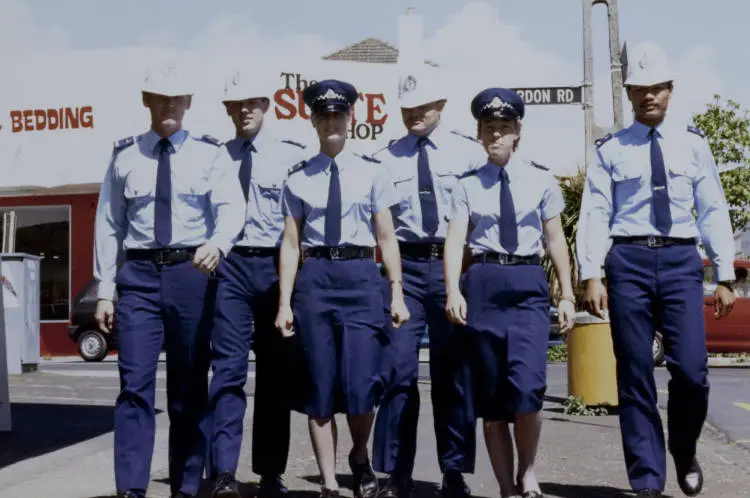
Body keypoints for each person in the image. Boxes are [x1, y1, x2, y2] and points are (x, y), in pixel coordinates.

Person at [577, 41, 736, 497]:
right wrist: (593, 272)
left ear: (670, 89)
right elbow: (595, 211)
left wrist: (724, 276)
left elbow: (712, 209)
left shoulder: (693, 145)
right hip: (627, 261)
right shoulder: (612, 150)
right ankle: (647, 478)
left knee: (691, 370)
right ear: (628, 93)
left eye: (657, 88)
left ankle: (683, 448)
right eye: (639, 89)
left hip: (682, 260)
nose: (648, 97)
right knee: (634, 371)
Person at [93, 61, 245, 498]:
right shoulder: (124, 156)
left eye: (177, 98)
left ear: (189, 103)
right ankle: (131, 491)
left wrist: (218, 243)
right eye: (161, 98)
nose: (169, 106)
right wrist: (105, 291)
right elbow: (108, 225)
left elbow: (231, 208)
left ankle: (186, 488)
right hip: (138, 277)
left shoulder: (210, 153)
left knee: (188, 388)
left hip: (191, 274)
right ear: (147, 101)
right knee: (134, 387)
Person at [274, 79, 410, 498]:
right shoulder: (298, 177)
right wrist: (284, 302)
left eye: (338, 114)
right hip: (316, 282)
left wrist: (397, 291)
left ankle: (359, 455)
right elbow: (291, 243)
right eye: (323, 115)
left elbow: (386, 238)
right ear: (313, 121)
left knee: (361, 387)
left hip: (360, 279)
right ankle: (330, 484)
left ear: (351, 118)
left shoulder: (372, 172)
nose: (331, 122)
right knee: (319, 386)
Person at [444, 88, 576, 498]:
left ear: (518, 131)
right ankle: (506, 487)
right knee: (492, 401)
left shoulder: (541, 180)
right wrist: (453, 290)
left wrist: (567, 294)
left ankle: (528, 470)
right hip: (483, 285)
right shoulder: (466, 186)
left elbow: (555, 240)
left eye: (504, 128)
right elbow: (454, 241)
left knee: (529, 389)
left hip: (526, 285)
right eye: (489, 129)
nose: (496, 135)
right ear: (479, 134)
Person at [368, 71, 485, 498]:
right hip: (407, 270)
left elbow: (480, 217)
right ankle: (395, 471)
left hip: (455, 268)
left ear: (441, 105)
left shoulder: (469, 155)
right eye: (407, 107)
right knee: (397, 371)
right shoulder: (386, 158)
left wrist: (464, 275)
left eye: (423, 106)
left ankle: (453, 472)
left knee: (453, 374)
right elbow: (382, 230)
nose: (415, 114)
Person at [207, 71, 308, 498]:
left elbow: (301, 225)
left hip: (274, 267)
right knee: (227, 372)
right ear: (228, 109)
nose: (245, 110)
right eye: (237, 103)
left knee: (274, 375)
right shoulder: (216, 157)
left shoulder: (290, 156)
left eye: (253, 102)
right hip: (229, 268)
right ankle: (224, 473)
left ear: (266, 106)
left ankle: (270, 472)